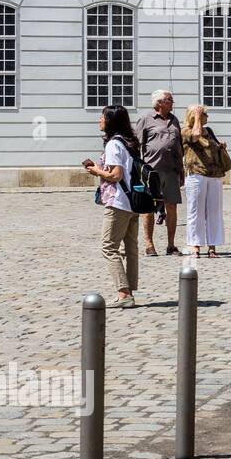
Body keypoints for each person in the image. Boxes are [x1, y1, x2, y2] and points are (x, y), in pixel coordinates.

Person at [83, 105, 141, 308]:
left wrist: (96, 171)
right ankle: (130, 289)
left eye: (102, 117)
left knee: (109, 247)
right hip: (132, 201)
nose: (99, 120)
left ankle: (124, 294)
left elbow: (116, 175)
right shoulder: (128, 143)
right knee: (131, 247)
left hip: (118, 202)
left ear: (111, 122)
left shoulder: (113, 145)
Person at [133, 89, 183, 256]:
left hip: (172, 170)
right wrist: (138, 170)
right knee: (149, 207)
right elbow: (136, 145)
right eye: (170, 99)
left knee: (172, 206)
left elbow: (179, 146)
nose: (172, 103)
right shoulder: (146, 119)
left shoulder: (174, 120)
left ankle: (171, 245)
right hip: (151, 171)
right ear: (160, 102)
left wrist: (181, 169)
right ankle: (149, 244)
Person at [181, 104, 228, 258]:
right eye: (204, 114)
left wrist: (220, 146)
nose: (207, 116)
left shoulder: (209, 131)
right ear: (195, 116)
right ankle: (195, 246)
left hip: (214, 174)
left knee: (214, 212)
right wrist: (196, 117)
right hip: (196, 174)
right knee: (196, 212)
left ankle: (212, 247)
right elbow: (195, 135)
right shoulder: (186, 131)